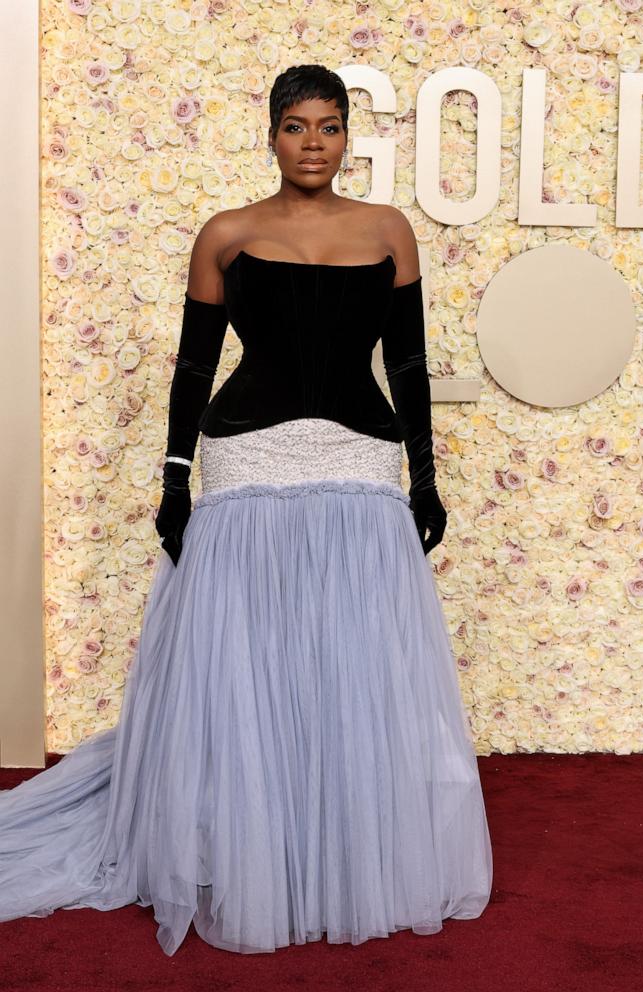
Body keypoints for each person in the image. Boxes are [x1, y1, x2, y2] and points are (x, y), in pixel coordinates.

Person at [0, 63, 492, 956]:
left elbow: (410, 367)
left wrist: (424, 477)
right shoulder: (225, 234)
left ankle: (339, 843)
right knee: (244, 658)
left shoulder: (389, 231)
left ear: (348, 137)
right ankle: (243, 847)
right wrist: (174, 476)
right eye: (297, 125)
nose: (313, 141)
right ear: (270, 134)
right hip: (245, 456)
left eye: (330, 125)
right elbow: (193, 368)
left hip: (359, 458)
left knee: (354, 660)